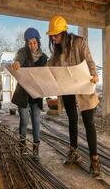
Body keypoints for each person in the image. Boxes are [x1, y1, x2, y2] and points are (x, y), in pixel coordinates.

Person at [46, 15, 101, 176]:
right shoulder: (57, 52)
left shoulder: (79, 42)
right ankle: (73, 152)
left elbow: (90, 62)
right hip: (68, 90)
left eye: (55, 35)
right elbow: (48, 66)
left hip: (84, 88)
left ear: (63, 33)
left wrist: (94, 75)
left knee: (88, 122)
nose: (53, 38)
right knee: (72, 120)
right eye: (51, 35)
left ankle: (95, 160)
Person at [11, 28, 48, 160]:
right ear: (26, 43)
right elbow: (18, 58)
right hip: (23, 94)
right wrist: (17, 63)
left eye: (34, 43)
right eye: (29, 43)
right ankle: (22, 150)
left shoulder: (44, 58)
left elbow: (46, 75)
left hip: (36, 95)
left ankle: (36, 151)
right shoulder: (23, 52)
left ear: (38, 42)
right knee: (24, 121)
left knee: (36, 121)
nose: (32, 46)